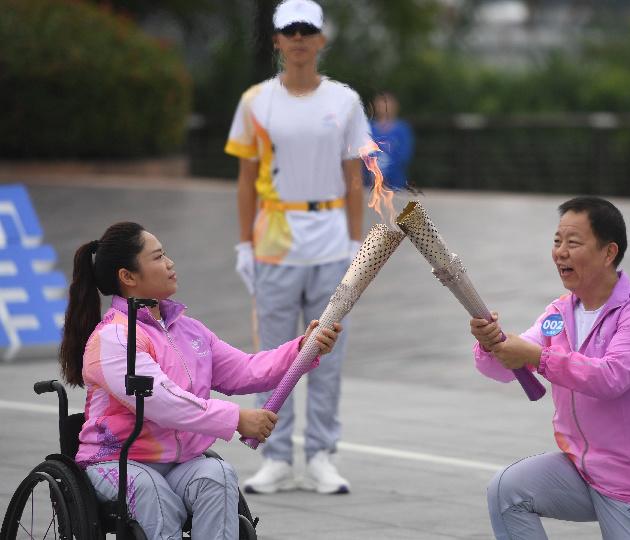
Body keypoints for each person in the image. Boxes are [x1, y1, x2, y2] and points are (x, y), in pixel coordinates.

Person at [59, 222, 341, 540]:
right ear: (128, 276)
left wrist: (302, 349)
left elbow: (246, 370)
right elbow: (161, 402)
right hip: (116, 462)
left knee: (218, 474)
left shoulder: (189, 329)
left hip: (180, 461)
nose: (170, 263)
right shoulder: (114, 338)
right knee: (153, 495)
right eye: (158, 257)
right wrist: (236, 418)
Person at [470, 196, 630, 539]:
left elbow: (609, 378)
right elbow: (501, 369)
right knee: (507, 491)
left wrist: (536, 357)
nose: (560, 252)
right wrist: (491, 343)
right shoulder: (559, 313)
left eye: (573, 243)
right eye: (557, 242)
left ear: (608, 252)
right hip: (583, 472)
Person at [224, 0, 370, 495]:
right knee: (272, 354)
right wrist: (244, 244)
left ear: (321, 40)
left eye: (309, 30)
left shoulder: (344, 102)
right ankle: (277, 454)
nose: (300, 39)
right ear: (277, 41)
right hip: (275, 238)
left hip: (331, 235)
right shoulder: (256, 102)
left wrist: (355, 242)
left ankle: (322, 454)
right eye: (291, 31)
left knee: (328, 351)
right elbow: (245, 180)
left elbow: (355, 178)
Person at [367, 92, 414, 191]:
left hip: (396, 184)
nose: (384, 106)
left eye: (387, 102)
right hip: (369, 184)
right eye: (380, 103)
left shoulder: (403, 129)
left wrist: (386, 174)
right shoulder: (367, 128)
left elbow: (405, 155)